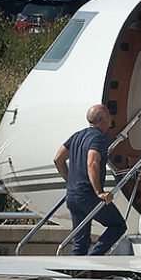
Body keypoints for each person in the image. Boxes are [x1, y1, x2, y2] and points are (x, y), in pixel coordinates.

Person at [54, 104, 127, 255]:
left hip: (72, 196)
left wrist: (70, 181)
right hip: (88, 196)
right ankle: (93, 258)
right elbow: (92, 162)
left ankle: (78, 266)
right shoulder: (99, 138)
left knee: (81, 241)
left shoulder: (77, 136)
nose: (111, 119)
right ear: (102, 120)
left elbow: (58, 159)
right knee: (118, 225)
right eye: (109, 116)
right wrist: (99, 192)